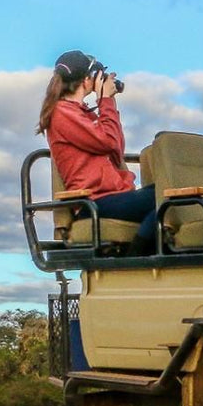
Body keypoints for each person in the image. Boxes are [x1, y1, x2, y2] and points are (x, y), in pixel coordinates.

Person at [37, 50, 158, 254]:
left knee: (165, 201)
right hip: (93, 202)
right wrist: (106, 101)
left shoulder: (83, 114)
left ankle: (138, 258)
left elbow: (117, 149)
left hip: (114, 197)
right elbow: (109, 143)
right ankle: (133, 261)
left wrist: (106, 104)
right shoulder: (62, 113)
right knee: (161, 197)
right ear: (86, 80)